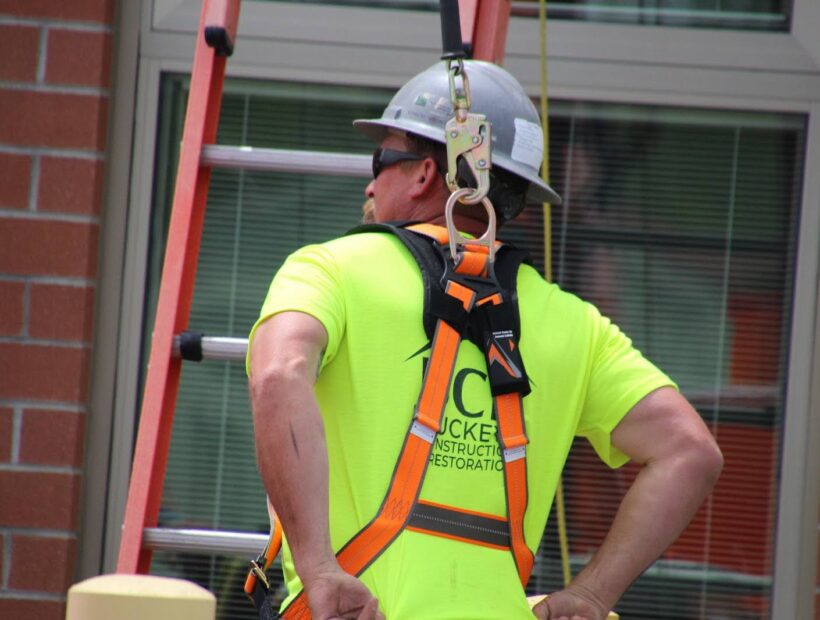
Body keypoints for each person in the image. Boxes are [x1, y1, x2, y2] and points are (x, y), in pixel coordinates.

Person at [247, 60, 723, 620]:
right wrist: (593, 595)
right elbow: (690, 452)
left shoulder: (329, 268)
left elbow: (278, 374)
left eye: (382, 161)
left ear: (426, 174)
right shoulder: (575, 323)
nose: (370, 183)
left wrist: (321, 569)